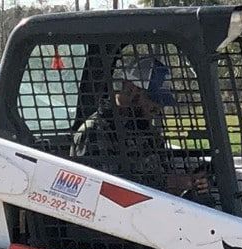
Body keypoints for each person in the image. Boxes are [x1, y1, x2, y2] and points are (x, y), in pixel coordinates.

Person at [70, 53, 210, 198]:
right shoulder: (95, 132)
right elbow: (100, 194)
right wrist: (169, 184)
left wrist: (192, 179)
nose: (158, 108)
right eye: (153, 99)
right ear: (131, 89)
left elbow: (163, 169)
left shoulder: (145, 130)